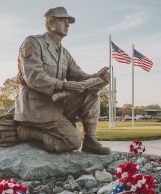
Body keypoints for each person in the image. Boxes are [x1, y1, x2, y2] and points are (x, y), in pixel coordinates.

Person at [14, 6, 111, 155]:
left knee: (91, 95)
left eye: (68, 22)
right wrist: (63, 85)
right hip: (36, 108)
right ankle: (26, 131)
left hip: (56, 105)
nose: (67, 25)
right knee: (72, 142)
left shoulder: (64, 53)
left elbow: (78, 77)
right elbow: (34, 76)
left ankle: (90, 140)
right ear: (51, 22)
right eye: (63, 21)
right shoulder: (32, 43)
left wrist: (98, 78)